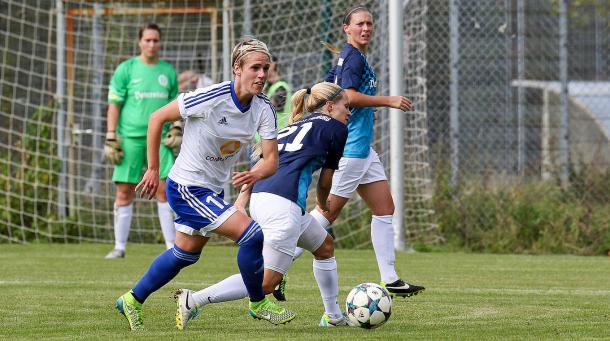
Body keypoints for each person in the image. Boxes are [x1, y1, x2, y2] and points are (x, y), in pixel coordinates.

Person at [114, 37, 295, 330]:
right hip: (186, 187)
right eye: (255, 68)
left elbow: (271, 159)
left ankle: (132, 300)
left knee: (184, 254)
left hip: (212, 190)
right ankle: (258, 303)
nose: (261, 74)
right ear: (237, 68)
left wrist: (255, 174)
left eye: (265, 68)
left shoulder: (264, 108)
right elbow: (156, 117)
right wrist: (152, 169)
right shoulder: (212, 96)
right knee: (251, 235)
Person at [173, 81, 351, 330]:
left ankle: (333, 317)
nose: (349, 112)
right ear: (330, 106)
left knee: (324, 246)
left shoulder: (294, 125)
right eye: (347, 106)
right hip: (283, 206)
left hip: (266, 199)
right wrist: (324, 205)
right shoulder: (337, 128)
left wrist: (243, 199)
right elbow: (325, 181)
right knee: (265, 284)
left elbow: (262, 166)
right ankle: (194, 300)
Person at [291, 6, 425, 298]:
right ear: (346, 28)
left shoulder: (346, 58)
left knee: (384, 208)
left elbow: (324, 92)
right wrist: (388, 100)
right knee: (325, 215)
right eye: (360, 24)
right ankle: (276, 265)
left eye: (369, 24)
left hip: (363, 150)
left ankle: (390, 278)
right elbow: (347, 96)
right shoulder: (351, 57)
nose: (366, 28)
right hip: (349, 149)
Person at [103, 23, 179, 258]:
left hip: (160, 140)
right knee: (125, 190)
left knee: (164, 190)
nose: (151, 44)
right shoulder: (126, 69)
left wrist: (176, 127)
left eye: (155, 40)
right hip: (130, 138)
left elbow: (177, 105)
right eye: (147, 40)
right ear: (140, 42)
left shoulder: (168, 71)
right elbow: (114, 105)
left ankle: (171, 247)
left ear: (160, 42)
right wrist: (111, 135)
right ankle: (119, 247)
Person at [264, 55, 292, 131]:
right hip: (262, 137)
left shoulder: (281, 88)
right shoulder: (265, 86)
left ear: (273, 65)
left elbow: (268, 108)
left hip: (278, 136)